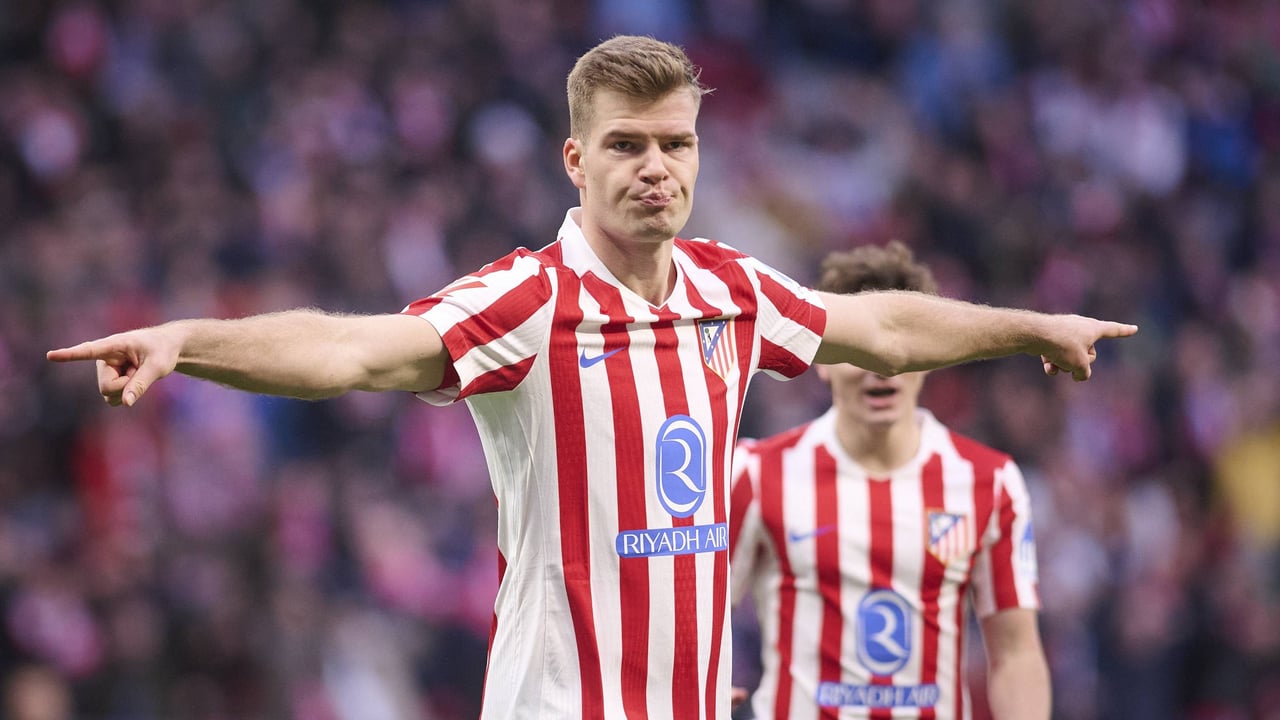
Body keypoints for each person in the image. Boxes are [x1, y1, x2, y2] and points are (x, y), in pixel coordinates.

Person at [47, 35, 1132, 720]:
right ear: (576, 161)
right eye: (626, 145)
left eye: (675, 144)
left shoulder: (729, 289)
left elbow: (880, 327)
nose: (656, 167)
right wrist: (188, 340)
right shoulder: (528, 300)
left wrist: (1029, 327)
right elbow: (349, 352)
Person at [728, 241, 1050, 720]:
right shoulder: (755, 473)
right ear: (820, 360)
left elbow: (1016, 653)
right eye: (858, 351)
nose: (881, 371)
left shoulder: (990, 481)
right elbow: (696, 611)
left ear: (932, 357)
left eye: (900, 352)